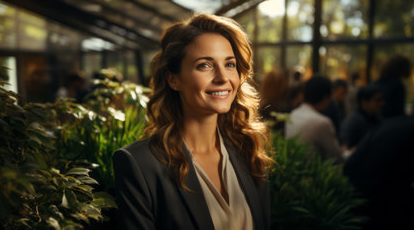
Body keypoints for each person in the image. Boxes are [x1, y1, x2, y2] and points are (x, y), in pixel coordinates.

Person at [112, 14, 273, 230]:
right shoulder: (140, 164)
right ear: (173, 79)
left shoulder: (247, 149)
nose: (222, 77)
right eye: (205, 65)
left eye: (230, 64)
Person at [285, 75, 344, 163]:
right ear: (326, 98)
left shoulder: (293, 114)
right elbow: (337, 158)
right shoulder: (322, 123)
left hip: (293, 169)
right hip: (314, 174)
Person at [340, 85, 384, 150]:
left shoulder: (377, 119)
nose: (382, 103)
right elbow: (345, 149)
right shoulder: (353, 123)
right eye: (377, 100)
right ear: (364, 103)